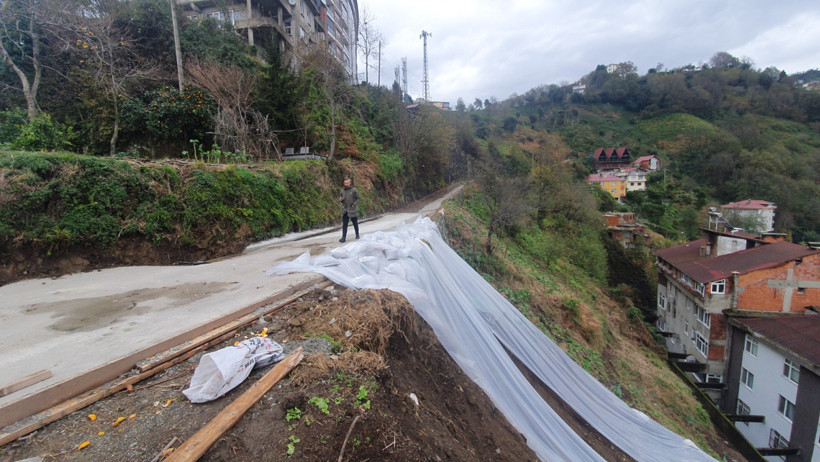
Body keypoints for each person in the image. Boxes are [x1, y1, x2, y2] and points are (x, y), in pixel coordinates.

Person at [338, 177, 360, 242]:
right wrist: (340, 200)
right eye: (345, 183)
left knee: (355, 223)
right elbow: (340, 199)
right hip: (345, 210)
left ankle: (357, 234)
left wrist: (354, 204)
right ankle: (343, 237)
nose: (346, 184)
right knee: (345, 224)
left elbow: (358, 198)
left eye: (347, 183)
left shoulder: (354, 190)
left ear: (350, 183)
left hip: (352, 209)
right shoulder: (342, 191)